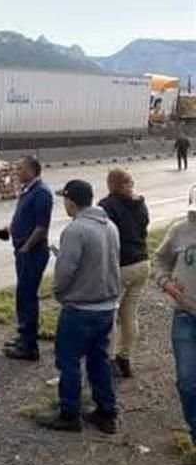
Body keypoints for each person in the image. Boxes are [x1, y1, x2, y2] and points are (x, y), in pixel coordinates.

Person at [37, 180, 121, 433]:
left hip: (80, 307)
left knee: (69, 361)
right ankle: (107, 412)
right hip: (107, 305)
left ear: (71, 202)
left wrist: (60, 293)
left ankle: (69, 413)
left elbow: (65, 271)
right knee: (99, 359)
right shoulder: (110, 226)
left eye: (64, 200)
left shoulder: (75, 230)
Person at [98, 168, 150, 378]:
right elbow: (144, 229)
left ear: (112, 184)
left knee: (109, 314)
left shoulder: (107, 206)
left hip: (121, 265)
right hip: (142, 262)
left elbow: (103, 238)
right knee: (130, 315)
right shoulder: (141, 203)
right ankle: (125, 356)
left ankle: (108, 359)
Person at [1, 156, 53, 361]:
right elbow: (23, 218)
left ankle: (29, 346)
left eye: (20, 168)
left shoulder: (41, 193)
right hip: (23, 249)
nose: (17, 172)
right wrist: (10, 229)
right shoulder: (28, 190)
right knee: (22, 295)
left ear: (32, 170)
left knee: (27, 297)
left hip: (32, 253)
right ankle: (24, 336)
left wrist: (27, 247)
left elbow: (41, 226)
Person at [153, 202, 196, 449]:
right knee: (187, 382)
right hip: (185, 316)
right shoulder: (180, 231)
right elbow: (160, 261)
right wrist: (165, 283)